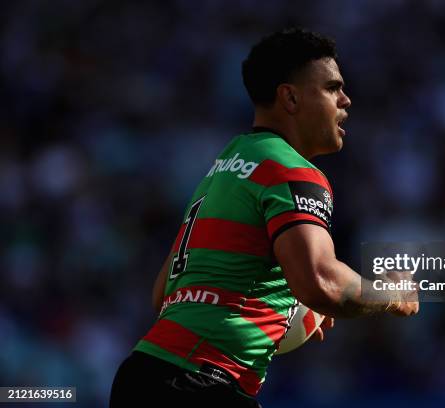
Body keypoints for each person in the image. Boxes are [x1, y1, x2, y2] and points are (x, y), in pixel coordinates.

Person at [110, 28, 418, 407]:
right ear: (289, 97)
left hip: (142, 375)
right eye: (332, 88)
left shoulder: (226, 165)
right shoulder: (292, 170)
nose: (346, 100)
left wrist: (281, 307)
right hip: (200, 383)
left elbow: (164, 296)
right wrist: (390, 294)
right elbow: (322, 283)